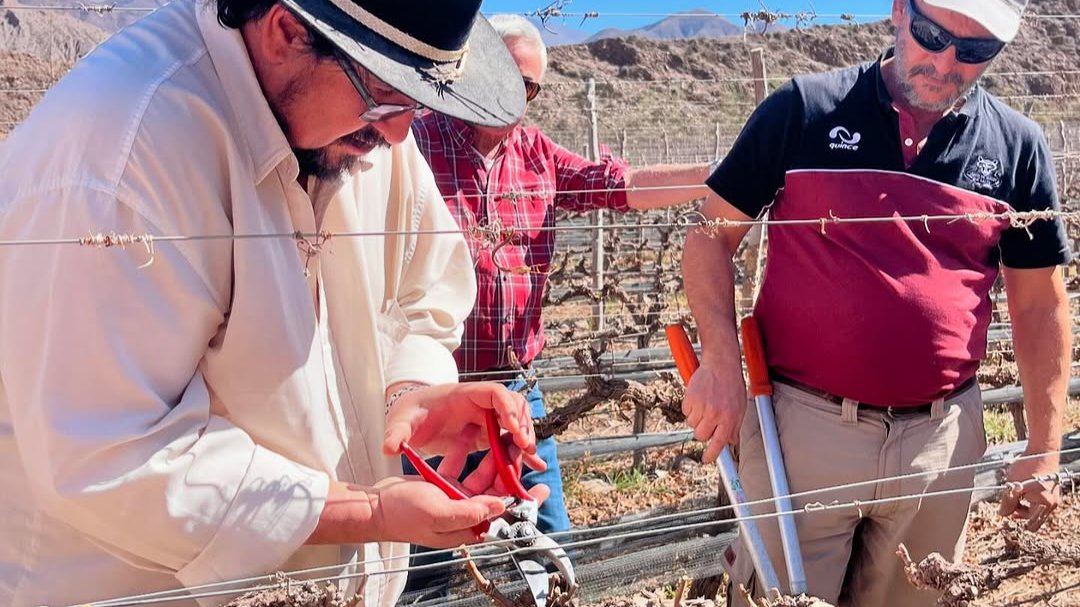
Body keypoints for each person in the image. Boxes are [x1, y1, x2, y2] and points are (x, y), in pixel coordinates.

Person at [0, 1, 546, 606]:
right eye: (390, 98)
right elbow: (108, 454)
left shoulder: (364, 106)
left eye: (421, 101)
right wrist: (365, 511)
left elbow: (426, 283)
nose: (398, 134)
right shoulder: (121, 159)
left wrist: (412, 390)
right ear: (286, 30)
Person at [681, 1, 1072, 605]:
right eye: (931, 35)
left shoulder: (1018, 146)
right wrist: (722, 361)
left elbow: (1039, 305)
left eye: (973, 52)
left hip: (939, 442)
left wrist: (1044, 445)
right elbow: (709, 237)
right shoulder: (805, 109)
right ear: (899, 11)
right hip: (801, 429)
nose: (945, 63)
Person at [412, 14, 713, 535]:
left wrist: (720, 178)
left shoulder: (538, 156)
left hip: (515, 387)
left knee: (548, 538)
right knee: (428, 543)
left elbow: (620, 185)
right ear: (470, 67)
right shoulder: (414, 145)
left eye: (527, 87)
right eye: (504, 76)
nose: (514, 95)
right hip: (435, 388)